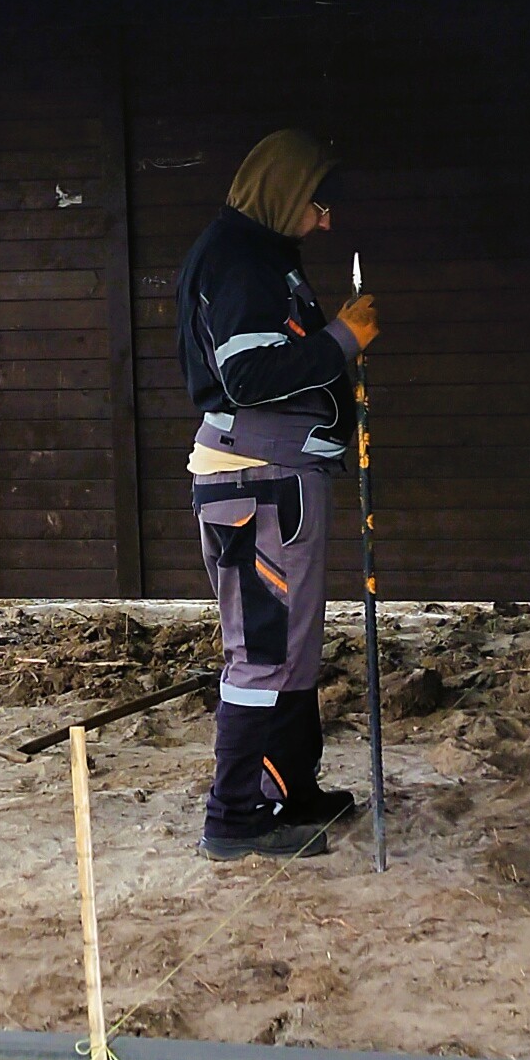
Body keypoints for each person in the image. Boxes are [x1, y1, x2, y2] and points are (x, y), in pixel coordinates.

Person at [174, 128, 381, 859]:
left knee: (290, 645)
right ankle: (235, 816)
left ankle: (288, 791)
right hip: (257, 481)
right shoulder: (238, 262)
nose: (326, 222)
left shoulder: (261, 256)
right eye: (316, 205)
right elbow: (249, 377)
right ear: (284, 193)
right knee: (263, 650)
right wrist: (343, 340)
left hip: (275, 479)